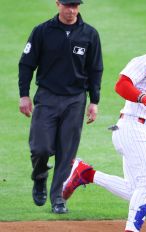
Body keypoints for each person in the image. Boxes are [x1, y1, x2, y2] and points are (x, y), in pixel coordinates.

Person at [62, 18, 146, 232]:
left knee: (135, 190)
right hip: (133, 126)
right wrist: (144, 99)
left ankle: (85, 173)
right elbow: (121, 85)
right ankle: (132, 229)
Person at [18, 0, 103, 214]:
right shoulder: (42, 31)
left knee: (67, 153)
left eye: (75, 6)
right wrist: (23, 95)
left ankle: (58, 198)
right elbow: (26, 64)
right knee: (40, 148)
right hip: (46, 97)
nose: (71, 10)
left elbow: (95, 69)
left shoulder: (89, 34)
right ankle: (39, 177)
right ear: (57, 4)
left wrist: (94, 101)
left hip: (75, 100)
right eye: (67, 5)